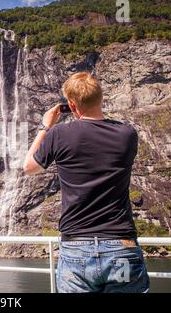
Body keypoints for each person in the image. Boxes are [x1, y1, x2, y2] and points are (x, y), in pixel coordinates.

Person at [23, 72, 150, 293]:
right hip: (121, 247)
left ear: (72, 106)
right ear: (101, 98)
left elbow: (29, 167)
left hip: (75, 250)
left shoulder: (60, 134)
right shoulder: (127, 134)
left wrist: (45, 127)